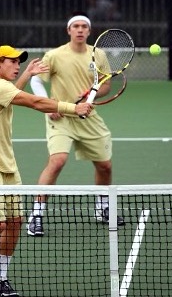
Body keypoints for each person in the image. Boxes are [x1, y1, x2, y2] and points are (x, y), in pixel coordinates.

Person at [0, 45, 93, 297]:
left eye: (20, 62)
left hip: (7, 166)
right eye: (13, 61)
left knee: (15, 222)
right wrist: (73, 108)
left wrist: (26, 75)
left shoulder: (0, 86)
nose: (17, 65)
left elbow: (15, 92)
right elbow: (35, 101)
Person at [26, 12, 125, 237]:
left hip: (89, 117)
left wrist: (93, 91)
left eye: (84, 27)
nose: (80, 30)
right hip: (60, 117)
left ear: (89, 31)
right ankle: (36, 215)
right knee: (58, 161)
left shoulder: (98, 54)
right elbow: (35, 80)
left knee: (105, 166)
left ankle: (102, 208)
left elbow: (106, 86)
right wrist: (49, 105)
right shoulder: (54, 56)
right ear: (69, 30)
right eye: (76, 26)